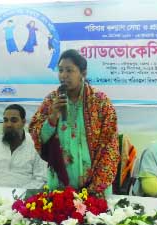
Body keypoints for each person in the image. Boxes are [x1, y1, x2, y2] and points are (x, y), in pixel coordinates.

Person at [29, 49, 120, 196]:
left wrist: (97, 184)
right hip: (60, 182)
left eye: (69, 70)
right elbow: (38, 137)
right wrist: (52, 118)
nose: (63, 75)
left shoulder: (100, 102)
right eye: (61, 70)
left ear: (83, 73)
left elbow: (110, 147)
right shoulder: (51, 100)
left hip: (94, 184)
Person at [0, 104, 47, 188]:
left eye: (14, 120)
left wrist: (18, 196)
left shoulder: (36, 144)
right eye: (5, 120)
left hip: (24, 195)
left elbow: (40, 179)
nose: (8, 124)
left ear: (23, 122)